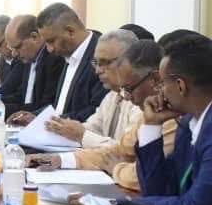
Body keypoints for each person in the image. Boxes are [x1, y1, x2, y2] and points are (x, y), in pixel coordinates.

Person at [27, 40, 176, 191]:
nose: (126, 97)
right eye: (96, 63)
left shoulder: (169, 116)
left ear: (156, 80)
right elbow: (119, 150)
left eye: (129, 89)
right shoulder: (145, 108)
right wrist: (60, 160)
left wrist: (117, 169)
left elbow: (144, 177)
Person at [134, 34, 212, 205]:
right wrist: (152, 126)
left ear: (180, 85)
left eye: (161, 83)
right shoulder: (187, 125)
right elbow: (158, 192)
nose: (159, 92)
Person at [9, 3, 108, 124]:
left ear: (70, 31)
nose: (49, 49)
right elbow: (60, 107)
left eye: (51, 41)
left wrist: (51, 121)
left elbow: (97, 111)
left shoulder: (102, 56)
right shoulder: (66, 55)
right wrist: (35, 116)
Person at [42, 29, 140, 149]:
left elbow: (128, 151)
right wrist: (64, 128)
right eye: (96, 63)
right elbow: (93, 128)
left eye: (105, 62)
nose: (97, 71)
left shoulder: (141, 100)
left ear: (131, 61)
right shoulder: (111, 96)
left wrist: (81, 135)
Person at [0, 14, 64, 119]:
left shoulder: (53, 59)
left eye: (17, 47)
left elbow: (45, 107)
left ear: (34, 37)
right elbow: (21, 97)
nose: (14, 54)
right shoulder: (28, 58)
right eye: (12, 49)